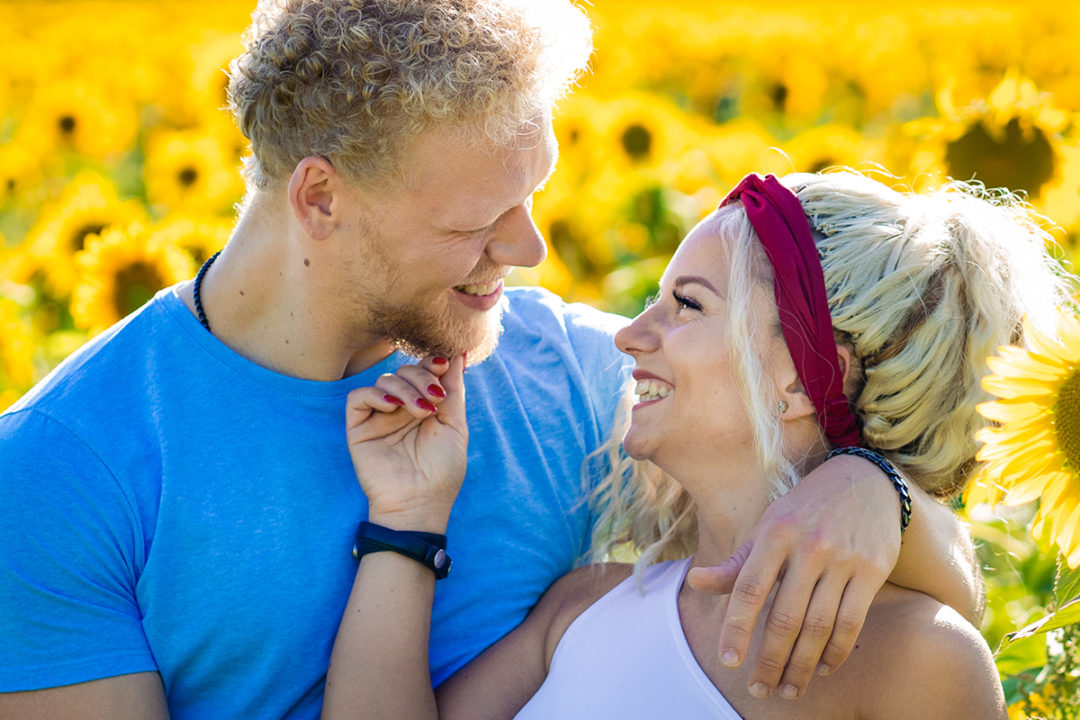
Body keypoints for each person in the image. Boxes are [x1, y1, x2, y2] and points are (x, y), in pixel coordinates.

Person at [0, 2, 979, 717]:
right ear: (322, 199)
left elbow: (853, 514)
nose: (529, 251)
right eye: (479, 219)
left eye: (535, 195)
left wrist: (872, 487)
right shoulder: (58, 472)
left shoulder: (570, 374)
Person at [327, 170, 1064, 719]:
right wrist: (409, 511)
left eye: (686, 304)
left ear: (806, 381)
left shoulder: (919, 660)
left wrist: (881, 490)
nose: (627, 335)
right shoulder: (582, 609)